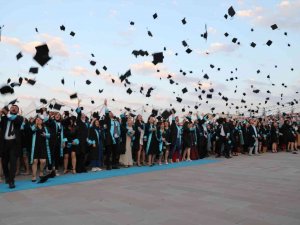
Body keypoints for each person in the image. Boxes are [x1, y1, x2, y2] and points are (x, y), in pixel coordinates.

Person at [0, 104, 23, 189]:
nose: (13, 109)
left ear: (17, 111)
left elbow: (13, 119)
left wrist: (6, 112)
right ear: (9, 109)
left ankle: (11, 181)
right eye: (12, 108)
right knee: (4, 163)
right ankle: (7, 177)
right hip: (4, 143)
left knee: (13, 163)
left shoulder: (19, 118)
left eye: (15, 108)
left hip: (14, 144)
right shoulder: (4, 118)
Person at [30, 116, 52, 182]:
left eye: (39, 119)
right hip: (35, 146)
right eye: (37, 119)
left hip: (43, 146)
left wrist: (46, 135)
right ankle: (33, 176)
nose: (38, 120)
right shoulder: (33, 126)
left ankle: (41, 171)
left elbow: (50, 135)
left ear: (42, 121)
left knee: (43, 161)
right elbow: (32, 130)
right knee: (35, 161)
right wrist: (36, 124)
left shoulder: (45, 128)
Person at [103, 99, 121, 170]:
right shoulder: (107, 120)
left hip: (116, 138)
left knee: (115, 153)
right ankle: (108, 166)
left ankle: (114, 165)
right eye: (109, 113)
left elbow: (118, 129)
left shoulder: (116, 121)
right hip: (110, 138)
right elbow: (106, 113)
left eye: (111, 113)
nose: (111, 113)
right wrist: (105, 105)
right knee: (108, 153)